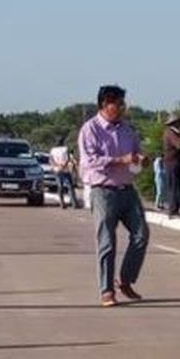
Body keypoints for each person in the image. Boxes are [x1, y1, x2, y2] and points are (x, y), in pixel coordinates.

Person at [78, 84, 152, 306]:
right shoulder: (90, 130)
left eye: (123, 103)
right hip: (104, 191)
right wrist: (120, 160)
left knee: (141, 235)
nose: (122, 108)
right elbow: (90, 161)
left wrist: (141, 159)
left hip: (127, 190)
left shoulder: (127, 130)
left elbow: (136, 154)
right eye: (118, 103)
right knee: (107, 241)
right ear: (105, 104)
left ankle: (126, 279)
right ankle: (106, 290)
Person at [161, 112, 180, 216]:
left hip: (173, 162)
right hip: (172, 162)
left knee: (175, 185)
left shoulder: (172, 132)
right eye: (179, 122)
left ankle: (174, 208)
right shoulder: (171, 133)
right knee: (174, 186)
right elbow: (179, 145)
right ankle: (173, 209)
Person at [48, 137, 79, 209]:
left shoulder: (53, 150)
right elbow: (68, 158)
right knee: (70, 186)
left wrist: (56, 165)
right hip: (65, 170)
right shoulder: (66, 148)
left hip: (57, 170)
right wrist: (64, 165)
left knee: (60, 186)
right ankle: (74, 203)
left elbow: (51, 160)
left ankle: (62, 203)